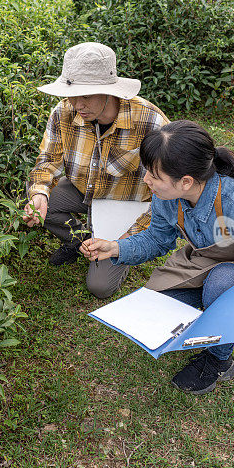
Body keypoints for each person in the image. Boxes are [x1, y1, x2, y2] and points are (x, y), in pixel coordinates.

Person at [80, 120, 234, 394]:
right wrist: (117, 248)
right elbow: (157, 238)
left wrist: (227, 324)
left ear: (186, 182)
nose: (146, 180)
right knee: (158, 303)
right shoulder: (166, 194)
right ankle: (211, 310)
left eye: (154, 176)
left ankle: (218, 361)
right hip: (212, 259)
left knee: (222, 285)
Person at [23, 42, 169, 299]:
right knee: (41, 203)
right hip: (83, 191)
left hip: (129, 205)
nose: (77, 104)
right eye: (72, 94)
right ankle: (81, 240)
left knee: (100, 288)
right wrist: (39, 195)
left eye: (86, 95)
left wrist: (126, 240)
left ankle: (110, 247)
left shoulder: (150, 121)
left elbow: (168, 195)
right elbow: (47, 161)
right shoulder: (62, 113)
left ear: (109, 92)